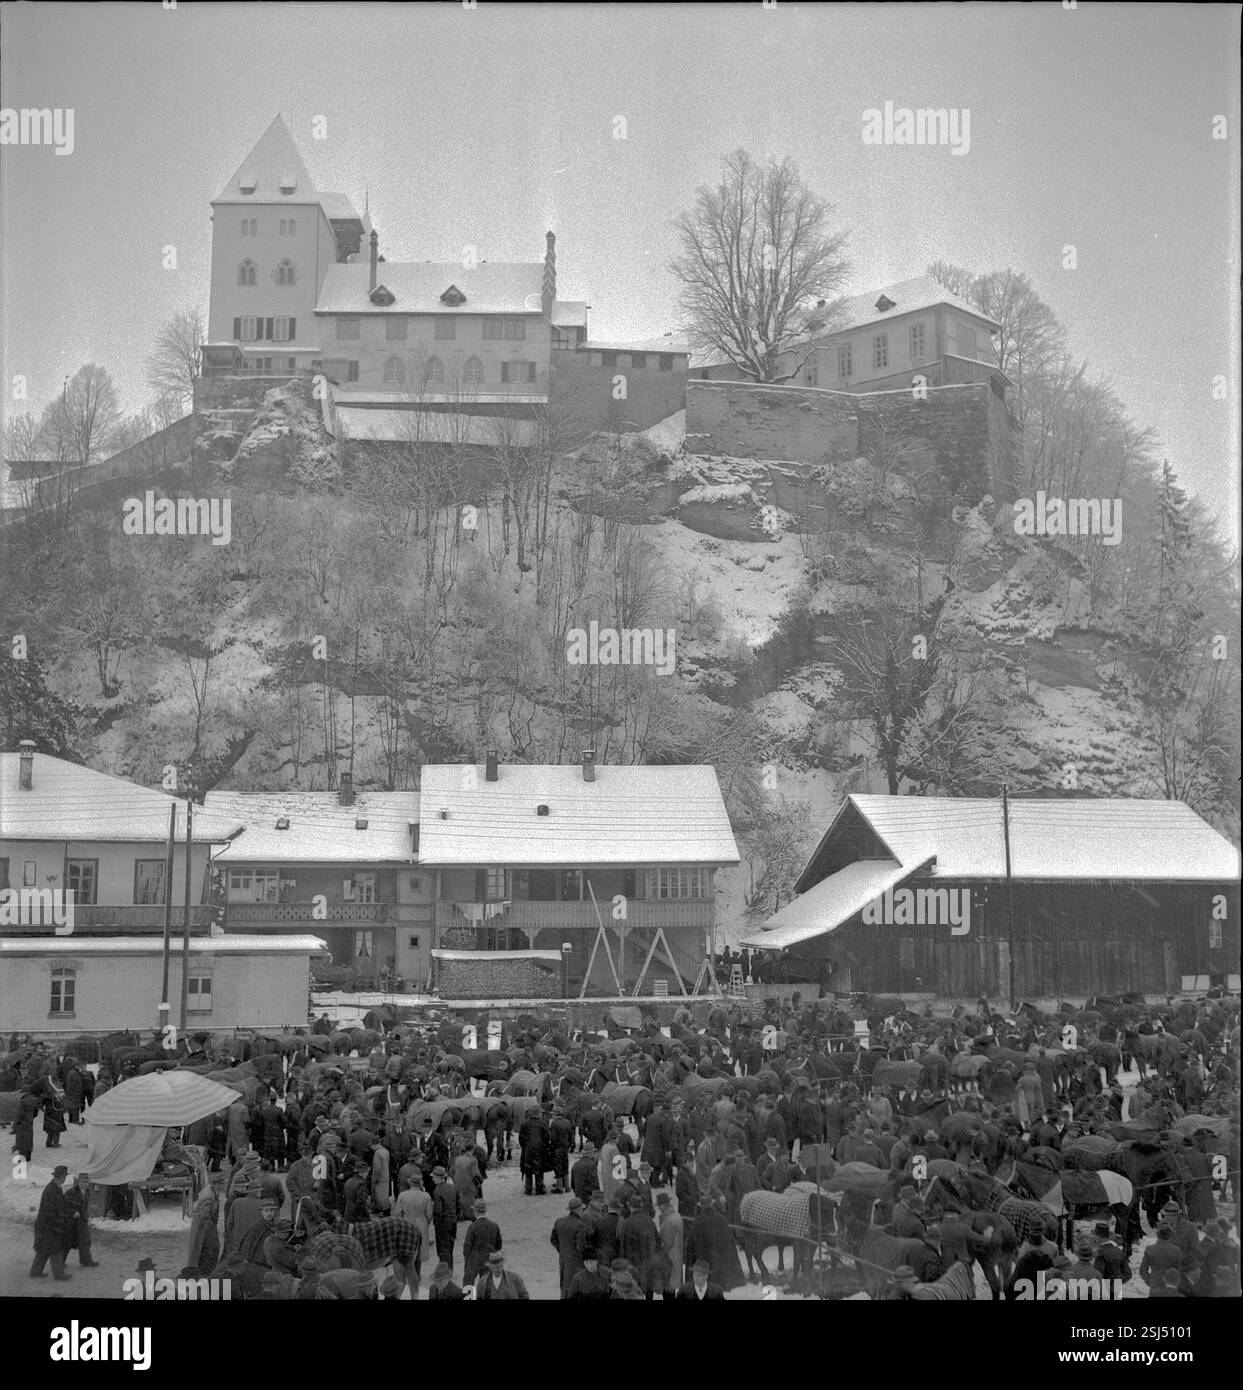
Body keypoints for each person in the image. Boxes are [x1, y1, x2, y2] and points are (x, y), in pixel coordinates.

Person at [30, 1165, 71, 1280]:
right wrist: (59, 1222)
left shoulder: (55, 1187)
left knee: (44, 1249)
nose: (65, 1179)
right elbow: (49, 1211)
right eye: (65, 1176)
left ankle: (36, 1271)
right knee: (55, 1249)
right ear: (62, 1177)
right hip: (48, 1226)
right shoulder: (51, 1190)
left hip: (46, 1225)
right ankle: (59, 1274)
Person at [550, 1195, 588, 1299]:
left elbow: (553, 1239)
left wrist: (562, 1250)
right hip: (577, 1263)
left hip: (564, 1261)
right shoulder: (580, 1225)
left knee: (564, 1288)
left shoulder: (559, 1222)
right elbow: (581, 1246)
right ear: (579, 1210)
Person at [62, 1173, 98, 1268]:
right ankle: (60, 1262)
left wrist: (87, 1214)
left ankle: (86, 1261)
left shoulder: (87, 1192)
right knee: (67, 1243)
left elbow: (85, 1205)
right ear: (79, 1182)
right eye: (83, 1181)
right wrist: (73, 1212)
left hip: (82, 1221)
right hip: (71, 1222)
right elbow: (64, 1205)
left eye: (87, 1182)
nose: (86, 1184)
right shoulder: (71, 1192)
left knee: (85, 1241)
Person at [462, 1199, 503, 1283]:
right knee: (487, 1283)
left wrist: (467, 1261)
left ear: (475, 1212)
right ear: (485, 1211)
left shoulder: (472, 1226)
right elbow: (499, 1245)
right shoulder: (494, 1226)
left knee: (468, 1282)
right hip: (488, 1258)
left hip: (474, 1259)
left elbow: (467, 1246)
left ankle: (469, 1296)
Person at [184, 1186, 221, 1278]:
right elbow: (205, 1212)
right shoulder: (209, 1197)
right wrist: (210, 1223)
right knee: (202, 1253)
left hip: (202, 1226)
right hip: (203, 1228)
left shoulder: (210, 1193)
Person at [656, 1191, 684, 1299]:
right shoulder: (676, 1216)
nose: (658, 1207)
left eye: (659, 1205)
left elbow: (667, 1243)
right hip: (676, 1256)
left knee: (668, 1288)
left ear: (664, 1205)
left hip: (669, 1259)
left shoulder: (668, 1221)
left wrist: (660, 1255)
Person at [432, 1166, 458, 1272]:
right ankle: (450, 1267)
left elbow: (438, 1210)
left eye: (434, 1177)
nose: (433, 1179)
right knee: (450, 1245)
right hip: (453, 1221)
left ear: (438, 1177)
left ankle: (446, 1270)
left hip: (443, 1223)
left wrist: (436, 1223)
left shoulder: (437, 1191)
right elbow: (458, 1205)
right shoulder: (453, 1188)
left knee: (443, 1247)